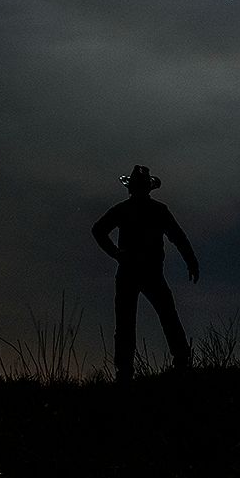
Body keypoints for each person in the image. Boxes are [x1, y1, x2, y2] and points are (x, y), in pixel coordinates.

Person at [92, 164, 199, 383]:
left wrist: (115, 253)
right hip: (145, 272)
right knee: (163, 316)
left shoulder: (129, 210)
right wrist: (190, 260)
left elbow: (98, 230)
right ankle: (179, 361)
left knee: (131, 321)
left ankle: (126, 371)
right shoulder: (157, 211)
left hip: (134, 272)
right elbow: (178, 237)